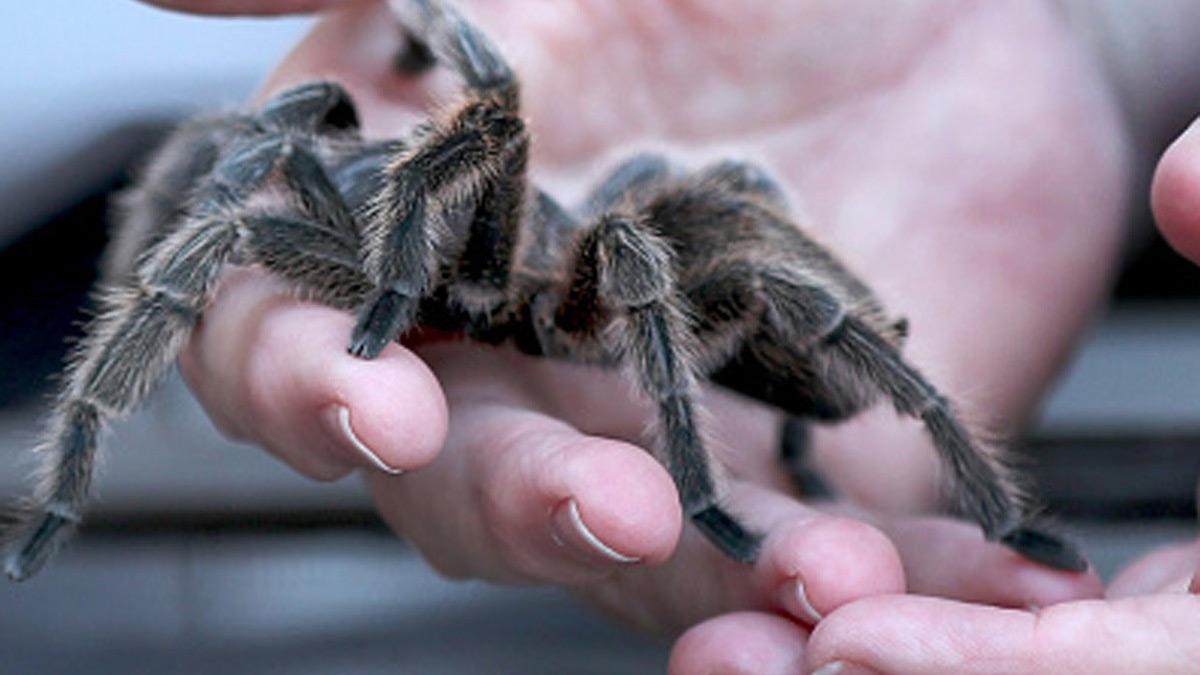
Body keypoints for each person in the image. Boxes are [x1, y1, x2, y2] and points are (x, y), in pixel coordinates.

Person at [140, 1, 1200, 672]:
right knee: (233, 200)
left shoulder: (571, 250)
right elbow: (247, 184)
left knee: (676, 222)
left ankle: (972, 500)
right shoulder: (338, 204)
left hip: (668, 312)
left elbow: (489, 114)